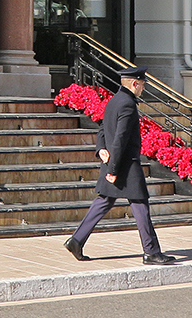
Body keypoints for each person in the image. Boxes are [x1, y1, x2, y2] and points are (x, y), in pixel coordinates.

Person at [64, 66, 175, 266]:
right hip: (125, 164)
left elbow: (102, 129)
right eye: (142, 85)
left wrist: (100, 149)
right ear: (135, 83)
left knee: (104, 201)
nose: (143, 89)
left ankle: (76, 240)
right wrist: (113, 170)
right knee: (140, 204)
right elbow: (121, 139)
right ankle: (151, 252)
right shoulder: (127, 104)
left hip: (114, 161)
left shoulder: (114, 101)